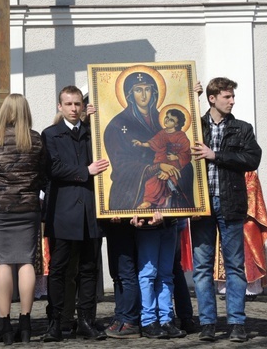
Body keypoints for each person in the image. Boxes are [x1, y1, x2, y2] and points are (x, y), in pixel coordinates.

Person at [191, 77, 262, 343]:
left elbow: (252, 159)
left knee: (234, 265)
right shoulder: (196, 126)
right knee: (202, 267)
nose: (232, 101)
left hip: (230, 203)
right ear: (212, 98)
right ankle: (208, 323)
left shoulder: (242, 128)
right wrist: (190, 97)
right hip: (201, 203)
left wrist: (216, 156)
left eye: (232, 97)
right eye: (227, 97)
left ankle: (236, 322)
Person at [41, 85, 109, 342]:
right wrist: (85, 171)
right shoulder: (51, 134)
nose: (73, 109)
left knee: (89, 269)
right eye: (68, 104)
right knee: (58, 269)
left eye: (77, 104)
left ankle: (86, 321)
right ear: (60, 106)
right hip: (63, 213)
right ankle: (56, 322)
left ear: (83, 106)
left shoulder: (93, 134)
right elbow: (53, 168)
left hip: (90, 211)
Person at [0, 94, 47, 344]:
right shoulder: (36, 139)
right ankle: (26, 324)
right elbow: (42, 175)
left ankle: (5, 326)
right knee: (27, 262)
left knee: (3, 264)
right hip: (28, 207)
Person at [105, 71, 193, 212]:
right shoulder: (117, 125)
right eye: (138, 90)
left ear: (154, 92)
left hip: (168, 192)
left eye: (147, 89)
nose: (144, 95)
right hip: (132, 193)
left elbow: (183, 151)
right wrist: (157, 167)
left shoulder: (165, 120)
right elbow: (121, 165)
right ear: (130, 94)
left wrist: (194, 99)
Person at [131, 211, 185, 339]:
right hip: (147, 227)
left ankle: (166, 319)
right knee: (148, 274)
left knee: (166, 274)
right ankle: (148, 320)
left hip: (170, 223)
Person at [133, 108, 192, 209]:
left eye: (171, 120)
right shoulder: (162, 133)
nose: (167, 120)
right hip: (161, 162)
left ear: (177, 125)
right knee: (151, 182)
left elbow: (187, 153)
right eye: (167, 117)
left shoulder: (181, 136)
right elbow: (153, 143)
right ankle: (148, 201)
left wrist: (176, 157)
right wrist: (141, 144)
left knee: (163, 180)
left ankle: (151, 201)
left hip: (175, 165)